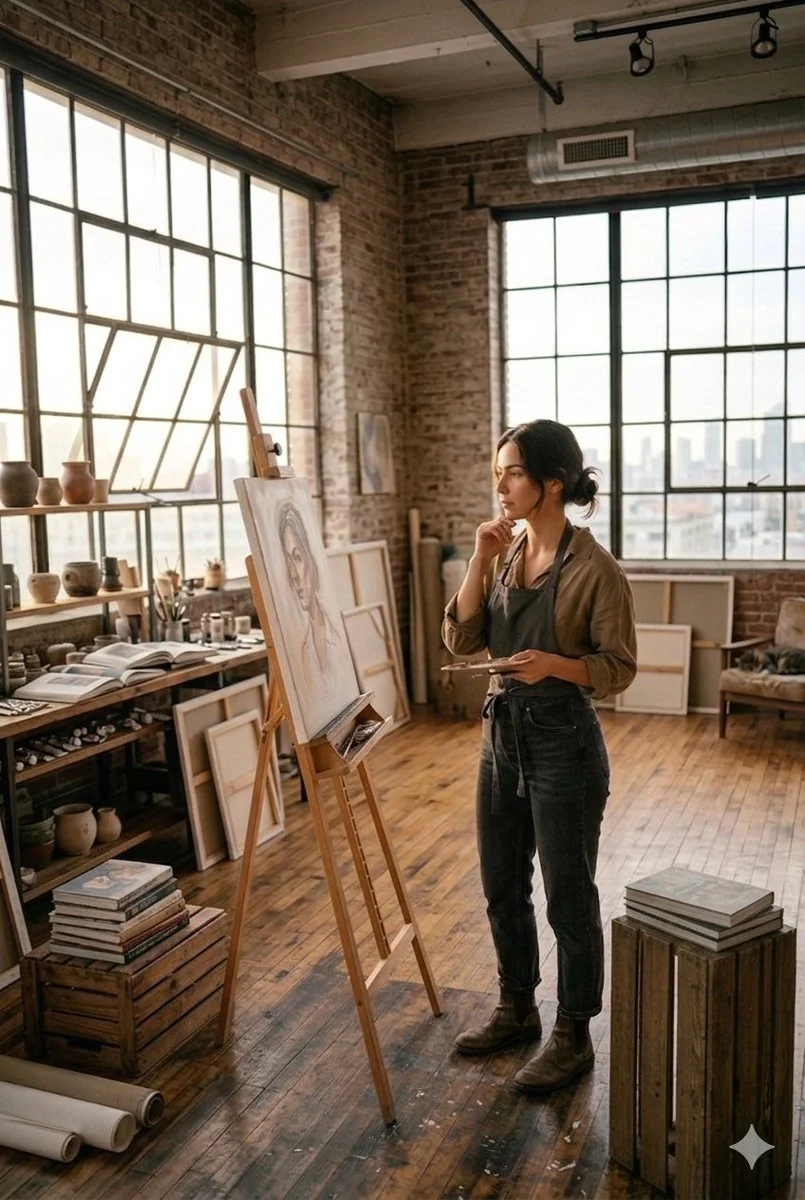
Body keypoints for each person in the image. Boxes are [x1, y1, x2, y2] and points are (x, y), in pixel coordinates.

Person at [442, 419, 637, 1095]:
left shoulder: (594, 568)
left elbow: (617, 667)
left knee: (568, 900)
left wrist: (553, 664)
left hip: (564, 744)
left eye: (512, 472)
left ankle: (572, 1036)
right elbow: (463, 642)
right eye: (497, 471)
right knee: (501, 887)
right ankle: (516, 1009)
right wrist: (475, 557)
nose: (500, 484)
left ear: (551, 483)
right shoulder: (504, 551)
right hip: (501, 737)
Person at [278, 502, 342, 688]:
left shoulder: (337, 634)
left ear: (311, 559)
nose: (293, 575)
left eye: (297, 558)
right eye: (288, 561)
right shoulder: (301, 650)